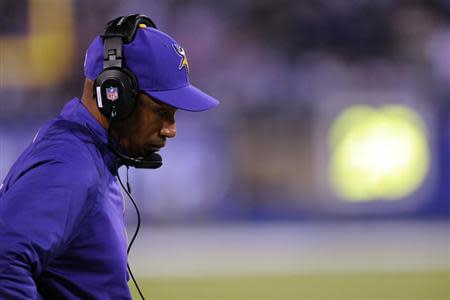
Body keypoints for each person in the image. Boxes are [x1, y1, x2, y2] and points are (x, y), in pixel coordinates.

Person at [0, 14, 219, 299]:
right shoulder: (72, 165)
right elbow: (4, 257)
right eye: (162, 112)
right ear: (114, 96)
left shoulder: (89, 156)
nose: (171, 129)